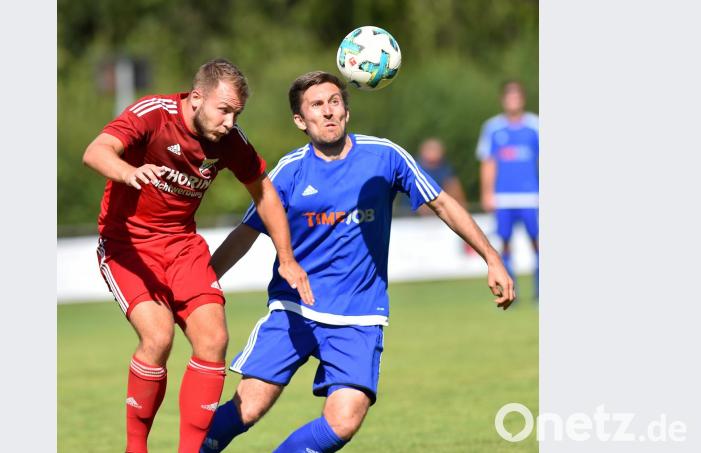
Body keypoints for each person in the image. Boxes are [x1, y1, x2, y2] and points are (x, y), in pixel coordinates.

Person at [200, 71, 515, 453]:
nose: (329, 112)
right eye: (317, 105)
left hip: (359, 315)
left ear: (347, 111)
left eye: (335, 102)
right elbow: (246, 232)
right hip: (294, 309)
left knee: (344, 421)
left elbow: (442, 203)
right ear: (301, 121)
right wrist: (202, 284)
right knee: (248, 407)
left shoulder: (385, 156)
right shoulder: (289, 171)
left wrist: (492, 257)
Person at [82, 58, 313, 453]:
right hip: (128, 245)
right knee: (158, 338)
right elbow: (96, 151)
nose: (229, 121)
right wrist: (127, 172)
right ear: (197, 97)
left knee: (214, 340)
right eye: (223, 110)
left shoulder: (230, 141)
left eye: (236, 113)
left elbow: (265, 193)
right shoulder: (153, 114)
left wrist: (287, 257)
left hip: (183, 246)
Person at [476, 80, 539, 299]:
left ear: (522, 99)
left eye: (517, 96)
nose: (513, 100)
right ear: (503, 100)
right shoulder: (492, 128)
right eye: (509, 96)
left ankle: (540, 291)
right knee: (504, 244)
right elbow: (488, 162)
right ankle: (512, 290)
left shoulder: (535, 125)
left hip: (531, 196)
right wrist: (487, 193)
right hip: (503, 197)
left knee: (538, 241)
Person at [414, 137, 468, 215]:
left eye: (435, 150)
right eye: (430, 150)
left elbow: (459, 197)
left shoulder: (447, 171)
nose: (432, 153)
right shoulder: (413, 170)